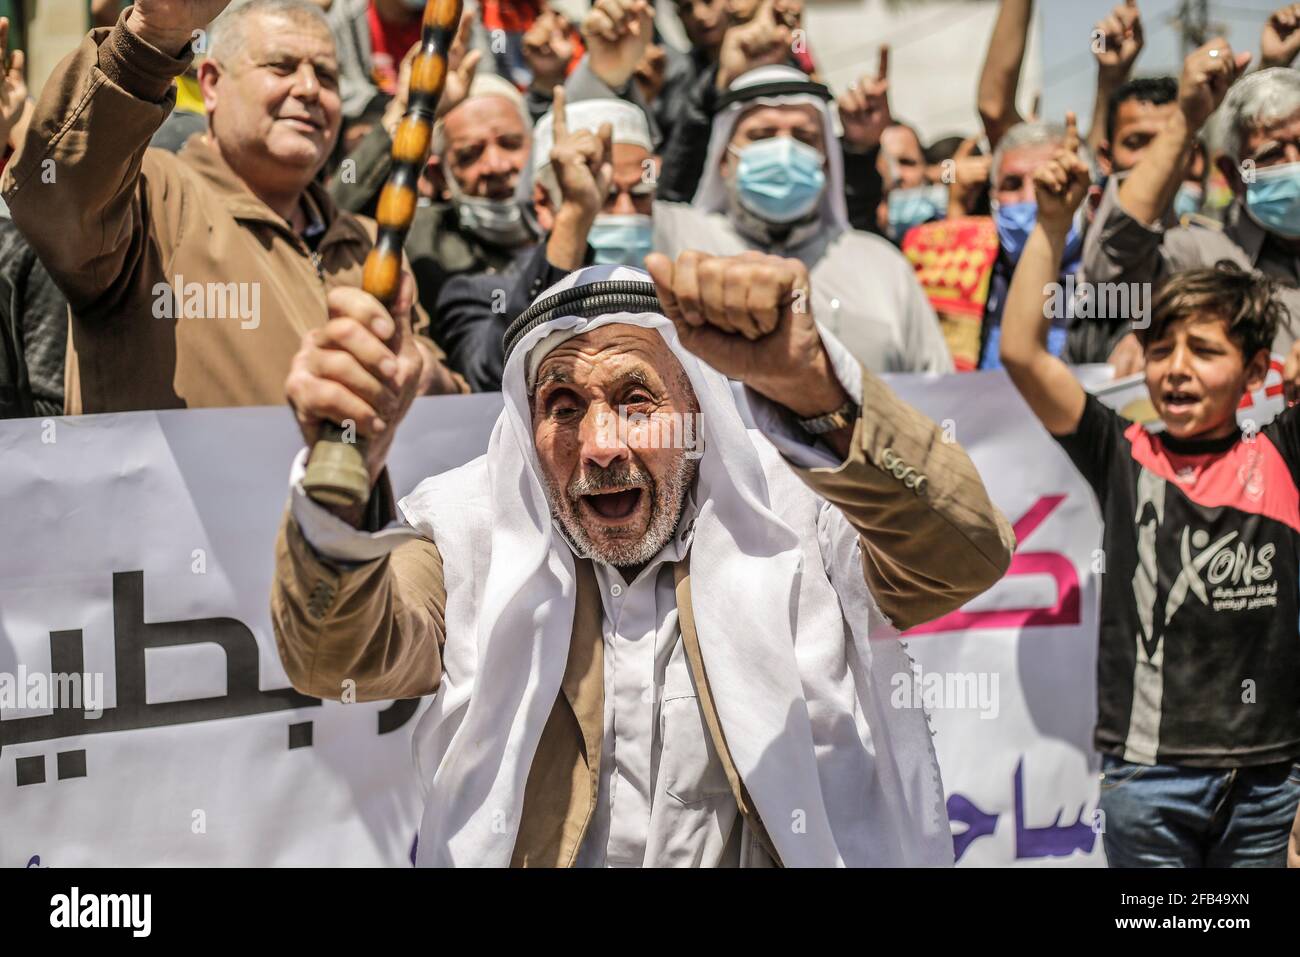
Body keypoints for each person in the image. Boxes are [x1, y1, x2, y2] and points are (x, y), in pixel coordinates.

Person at [272, 248, 1015, 867]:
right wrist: (343, 484)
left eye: (635, 400)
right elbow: (338, 657)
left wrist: (818, 391)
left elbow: (962, 553)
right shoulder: (472, 533)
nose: (599, 446)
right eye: (562, 405)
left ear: (699, 411)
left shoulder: (800, 511)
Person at [1000, 112, 1300, 867]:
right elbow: (1020, 352)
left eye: (1204, 350)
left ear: (1257, 372)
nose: (1175, 369)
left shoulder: (1287, 452)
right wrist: (1054, 223)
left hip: (1272, 780)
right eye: (1162, 347)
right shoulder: (1122, 452)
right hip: (1149, 778)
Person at [0, 0, 463, 413]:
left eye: (326, 76)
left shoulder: (372, 242)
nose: (308, 89)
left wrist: (427, 379)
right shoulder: (151, 195)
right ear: (212, 84)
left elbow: (439, 387)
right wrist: (149, 41)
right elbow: (59, 189)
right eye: (281, 67)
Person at [649, 65, 951, 374]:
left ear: (827, 162)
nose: (785, 150)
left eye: (804, 137)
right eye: (762, 135)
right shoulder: (672, 238)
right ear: (723, 159)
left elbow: (938, 399)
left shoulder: (884, 268)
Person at [1080, 42, 1300, 398]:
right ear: (1231, 174)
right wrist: (1186, 118)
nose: (1293, 165)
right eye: (1272, 155)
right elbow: (1111, 270)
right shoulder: (1197, 258)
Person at [435, 93, 655, 391]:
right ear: (543, 202)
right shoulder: (483, 294)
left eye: (640, 194)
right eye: (607, 197)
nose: (626, 212)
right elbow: (495, 375)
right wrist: (576, 215)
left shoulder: (681, 281)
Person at [332, 69, 537, 320]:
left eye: (510, 143)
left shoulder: (579, 217)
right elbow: (332, 219)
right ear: (440, 176)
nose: (496, 166)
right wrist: (406, 112)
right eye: (470, 154)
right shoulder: (422, 238)